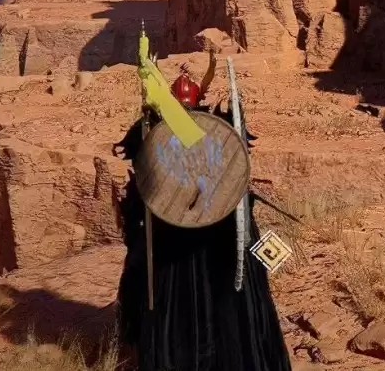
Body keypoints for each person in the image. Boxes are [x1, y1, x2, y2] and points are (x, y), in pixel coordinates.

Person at [113, 59, 292, 371]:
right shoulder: (189, 130)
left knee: (149, 277)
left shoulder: (170, 130)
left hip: (195, 234)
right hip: (191, 232)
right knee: (236, 288)